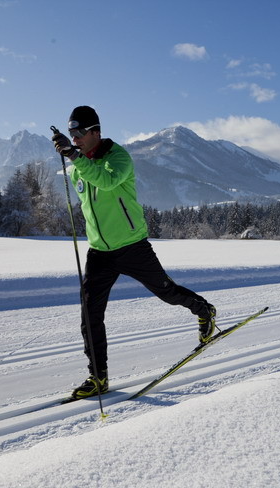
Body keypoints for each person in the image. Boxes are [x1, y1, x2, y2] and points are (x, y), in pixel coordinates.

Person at [52, 106, 217, 399]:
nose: (74, 139)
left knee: (166, 292)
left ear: (96, 132)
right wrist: (75, 160)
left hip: (131, 245)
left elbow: (105, 181)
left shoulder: (119, 158)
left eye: (79, 133)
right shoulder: (78, 164)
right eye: (71, 134)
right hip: (99, 252)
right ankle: (98, 378)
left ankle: (204, 310)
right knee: (90, 316)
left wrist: (74, 158)